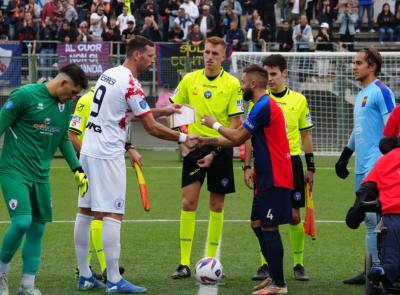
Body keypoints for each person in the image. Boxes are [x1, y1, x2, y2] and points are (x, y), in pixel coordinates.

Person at [73, 36, 198, 294]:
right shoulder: (130, 82)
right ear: (138, 54)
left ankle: (85, 275)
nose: (152, 61)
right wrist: (184, 137)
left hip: (88, 149)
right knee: (113, 214)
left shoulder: (110, 73)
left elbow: (131, 111)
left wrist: (166, 110)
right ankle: (115, 279)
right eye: (150, 56)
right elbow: (151, 128)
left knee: (85, 212)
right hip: (108, 154)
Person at [200, 64, 293, 295]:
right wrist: (206, 140)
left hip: (275, 175)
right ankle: (273, 274)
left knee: (269, 227)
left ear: (252, 84)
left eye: (243, 82)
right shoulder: (257, 106)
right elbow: (236, 140)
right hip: (265, 176)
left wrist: (214, 124)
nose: (241, 86)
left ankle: (279, 284)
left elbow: (238, 136)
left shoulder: (264, 105)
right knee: (257, 224)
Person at [0, 63, 89, 295]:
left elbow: (63, 139)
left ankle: (27, 285)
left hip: (41, 175)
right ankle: (1, 273)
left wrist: (77, 169)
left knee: (37, 229)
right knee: (22, 222)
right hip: (14, 170)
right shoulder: (25, 95)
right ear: (63, 83)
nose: (73, 97)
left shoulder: (66, 104)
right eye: (72, 92)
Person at [169, 36, 244, 280]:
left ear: (224, 56)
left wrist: (215, 152)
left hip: (220, 147)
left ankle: (212, 259)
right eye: (207, 52)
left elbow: (235, 126)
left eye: (215, 53)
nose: (210, 57)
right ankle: (183, 263)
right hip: (194, 146)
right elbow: (174, 112)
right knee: (188, 202)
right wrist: (182, 139)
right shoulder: (190, 79)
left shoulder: (233, 84)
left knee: (216, 205)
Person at [245, 54, 315, 282]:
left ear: (284, 73)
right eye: (267, 74)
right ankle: (267, 266)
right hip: (267, 165)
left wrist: (310, 165)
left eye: (274, 74)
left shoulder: (298, 99)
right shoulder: (257, 102)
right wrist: (247, 165)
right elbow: (247, 135)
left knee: (294, 216)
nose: (271, 78)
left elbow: (305, 134)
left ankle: (298, 263)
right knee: (264, 220)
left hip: (291, 162)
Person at [335, 47, 395, 285]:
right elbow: (359, 128)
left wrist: (386, 164)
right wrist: (345, 154)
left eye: (359, 62)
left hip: (376, 165)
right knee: (370, 220)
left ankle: (380, 269)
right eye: (354, 62)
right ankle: (372, 267)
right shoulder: (361, 94)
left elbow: (392, 129)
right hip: (361, 165)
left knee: (375, 219)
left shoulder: (381, 91)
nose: (354, 66)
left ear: (372, 66)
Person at [346, 136, 400, 287]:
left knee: (391, 254)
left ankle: (385, 269)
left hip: (393, 216)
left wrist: (354, 217)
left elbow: (366, 191)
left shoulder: (385, 161)